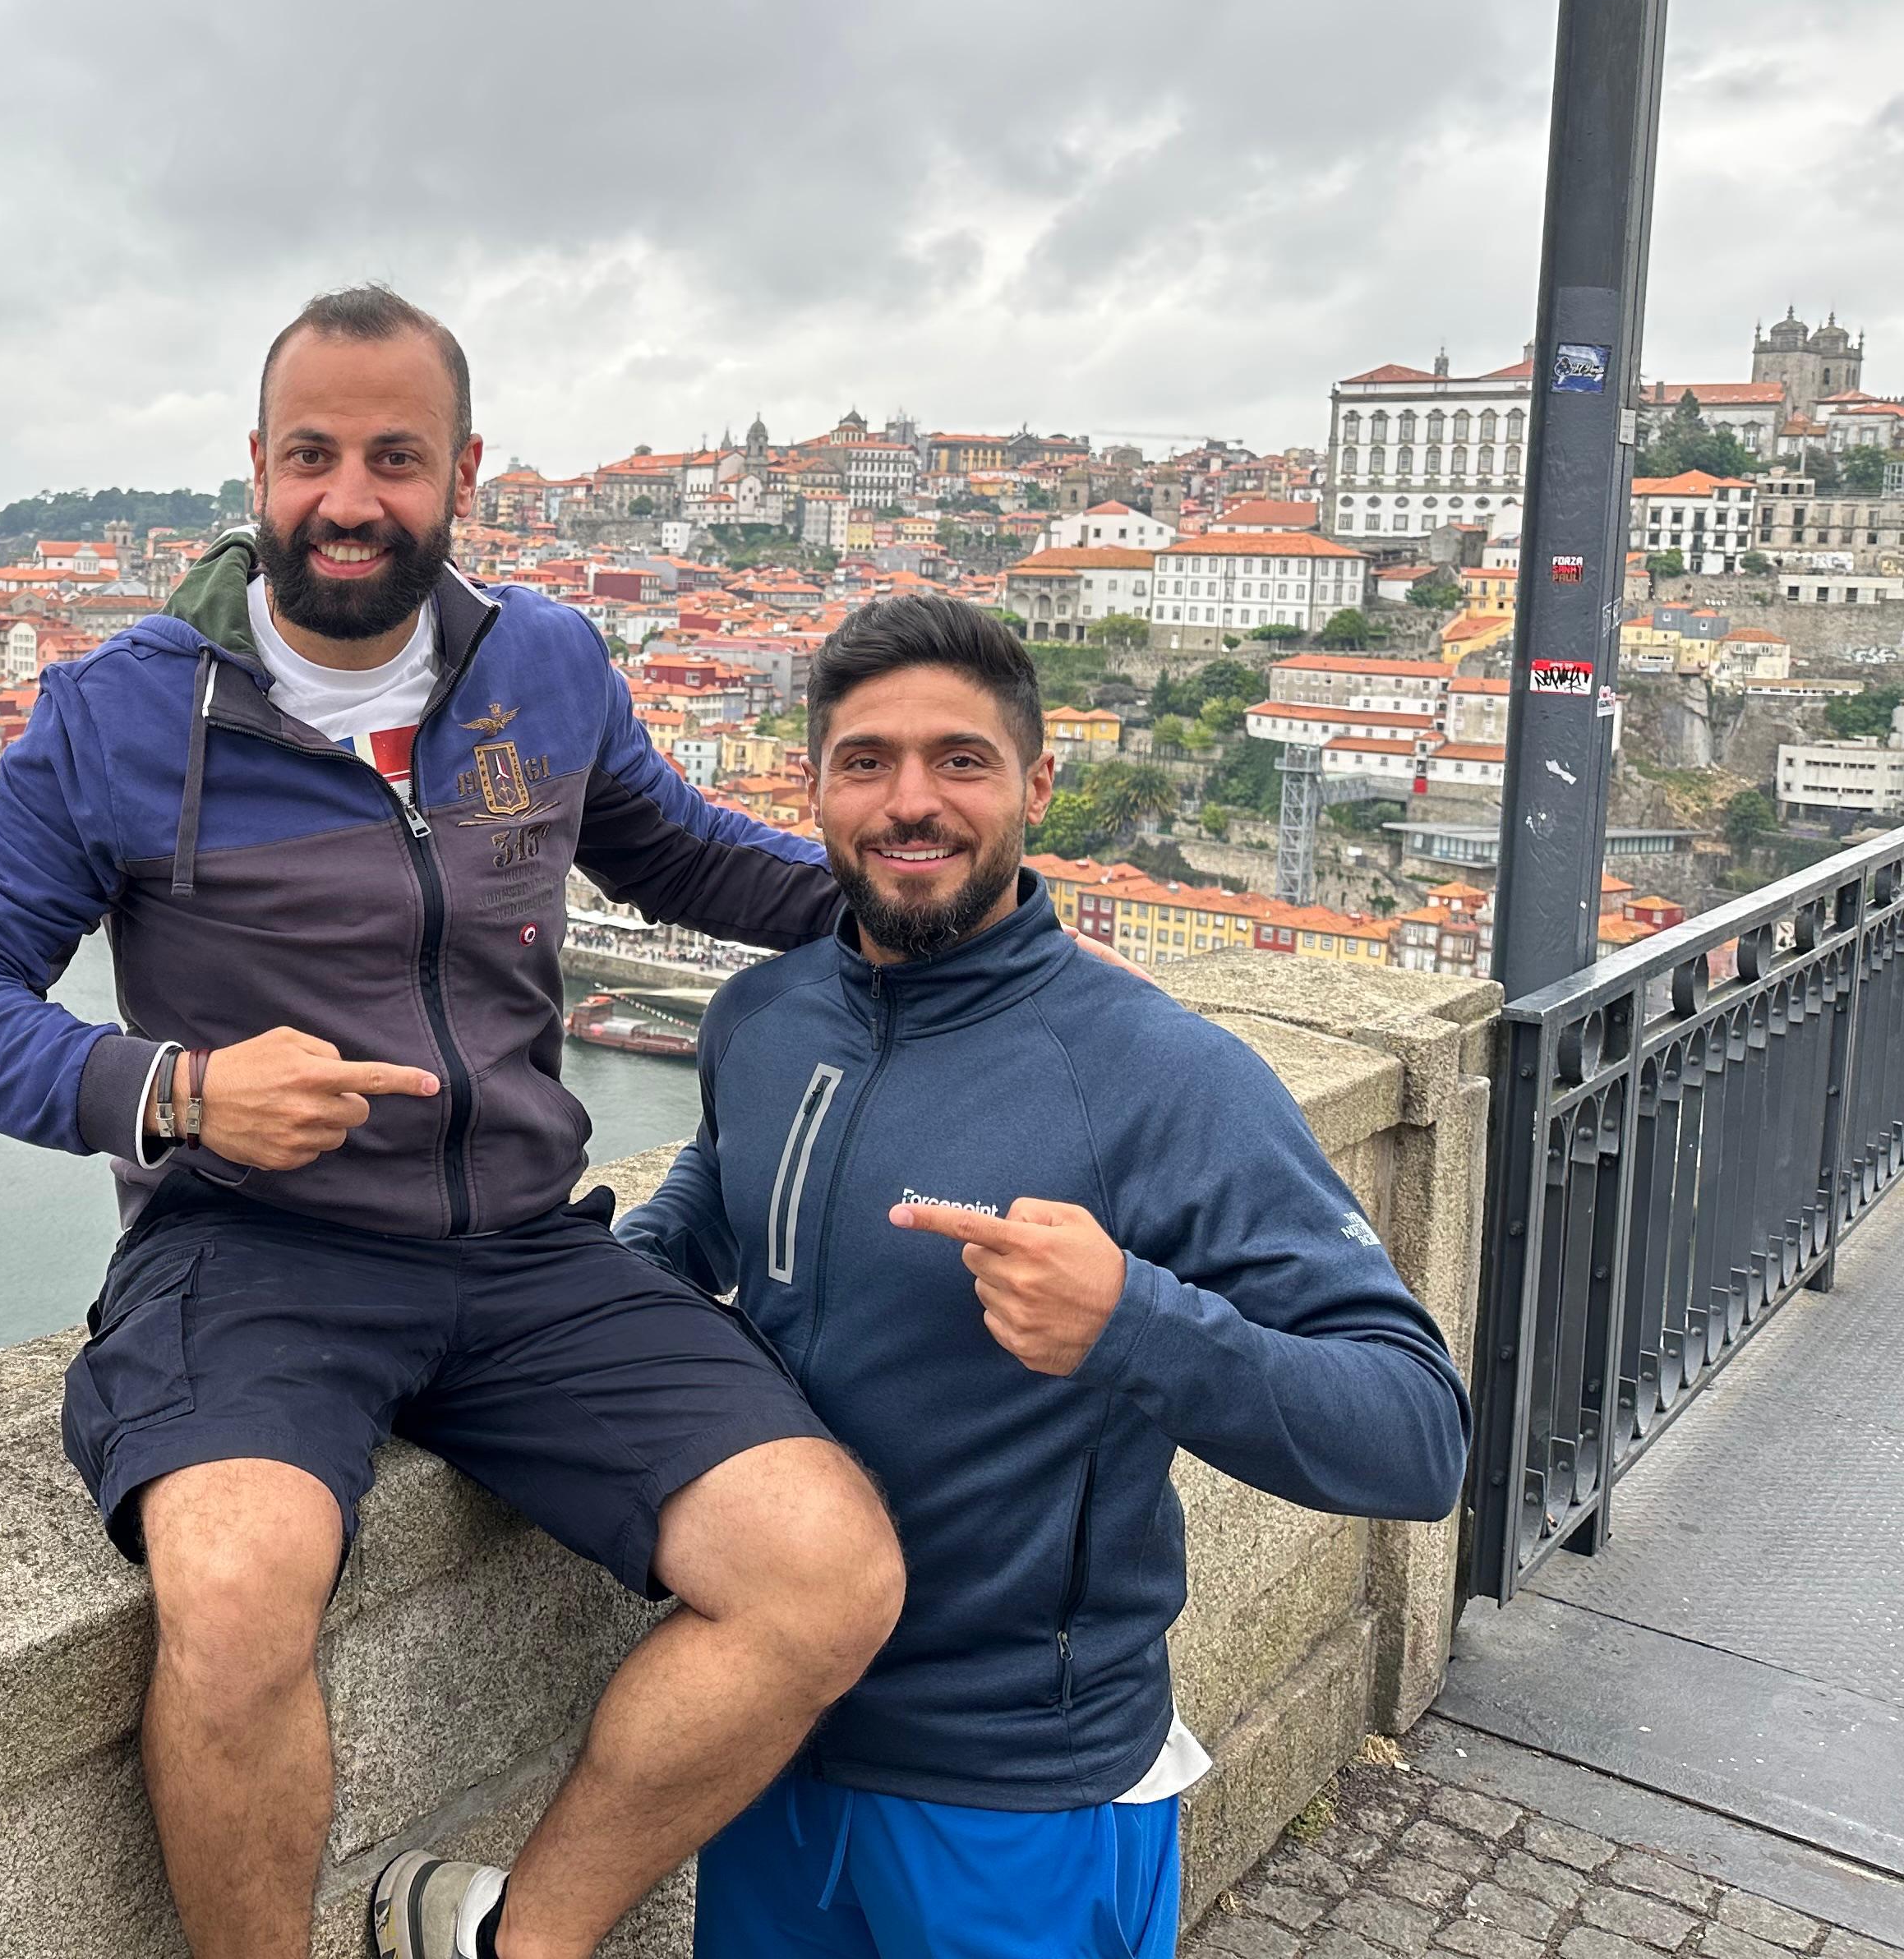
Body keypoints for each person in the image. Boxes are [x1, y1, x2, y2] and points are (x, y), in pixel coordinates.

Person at [0, 287, 905, 1959]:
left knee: (829, 1575)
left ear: (463, 474)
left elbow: (667, 851)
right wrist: (182, 1092)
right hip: (253, 1251)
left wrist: (924, 903)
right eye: (311, 457)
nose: (348, 498)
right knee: (229, 1590)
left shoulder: (548, 668)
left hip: (521, 1248)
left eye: (394, 459)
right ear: (256, 471)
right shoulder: (120, 714)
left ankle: (526, 1938)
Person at [615, 595, 1470, 1959]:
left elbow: (1418, 1436)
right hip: (764, 1739)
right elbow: (716, 1209)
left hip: (1022, 1791)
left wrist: (1135, 1323)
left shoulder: (1159, 1077)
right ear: (814, 788)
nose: (912, 803)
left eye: (959, 760)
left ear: (1036, 785)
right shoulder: (760, 1020)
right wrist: (585, 1285)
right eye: (867, 761)